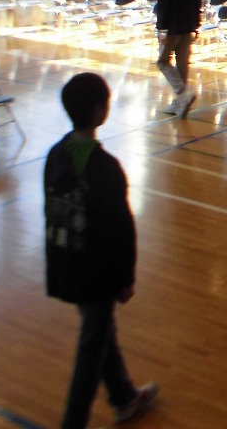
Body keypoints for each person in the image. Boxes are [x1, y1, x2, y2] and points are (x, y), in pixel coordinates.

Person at [45, 72, 158, 429]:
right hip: (96, 272)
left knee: (99, 330)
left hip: (67, 261)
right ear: (98, 111)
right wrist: (125, 279)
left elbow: (51, 212)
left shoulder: (55, 155)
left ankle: (124, 397)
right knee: (91, 347)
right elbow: (120, 231)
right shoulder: (105, 168)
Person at [156, 0, 202, 115]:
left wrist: (162, 28)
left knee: (162, 61)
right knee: (182, 65)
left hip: (173, 25)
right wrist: (196, 23)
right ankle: (180, 104)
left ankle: (182, 93)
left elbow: (164, 2)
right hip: (188, 23)